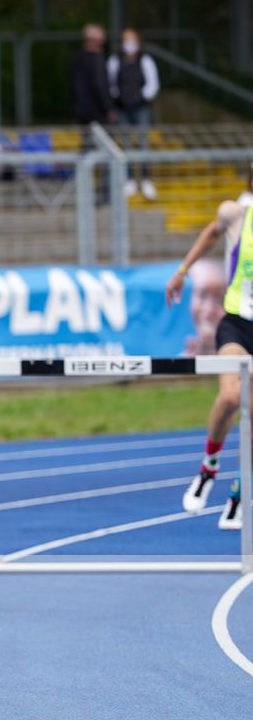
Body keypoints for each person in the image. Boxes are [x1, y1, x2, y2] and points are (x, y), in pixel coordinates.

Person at [163, 166, 253, 529]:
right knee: (231, 397)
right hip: (236, 323)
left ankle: (240, 490)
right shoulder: (235, 213)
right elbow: (210, 233)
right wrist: (183, 270)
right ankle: (208, 468)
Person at [108, 29, 161, 199]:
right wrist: (120, 97)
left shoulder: (145, 60)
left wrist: (140, 97)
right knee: (125, 143)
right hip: (122, 107)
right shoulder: (114, 60)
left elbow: (153, 84)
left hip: (141, 107)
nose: (129, 45)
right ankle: (129, 179)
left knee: (143, 142)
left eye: (132, 40)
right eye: (126, 41)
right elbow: (111, 83)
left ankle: (146, 180)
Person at [68, 23, 115, 131]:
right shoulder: (97, 60)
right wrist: (108, 107)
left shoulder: (77, 59)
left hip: (80, 110)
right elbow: (100, 85)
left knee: (87, 142)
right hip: (97, 111)